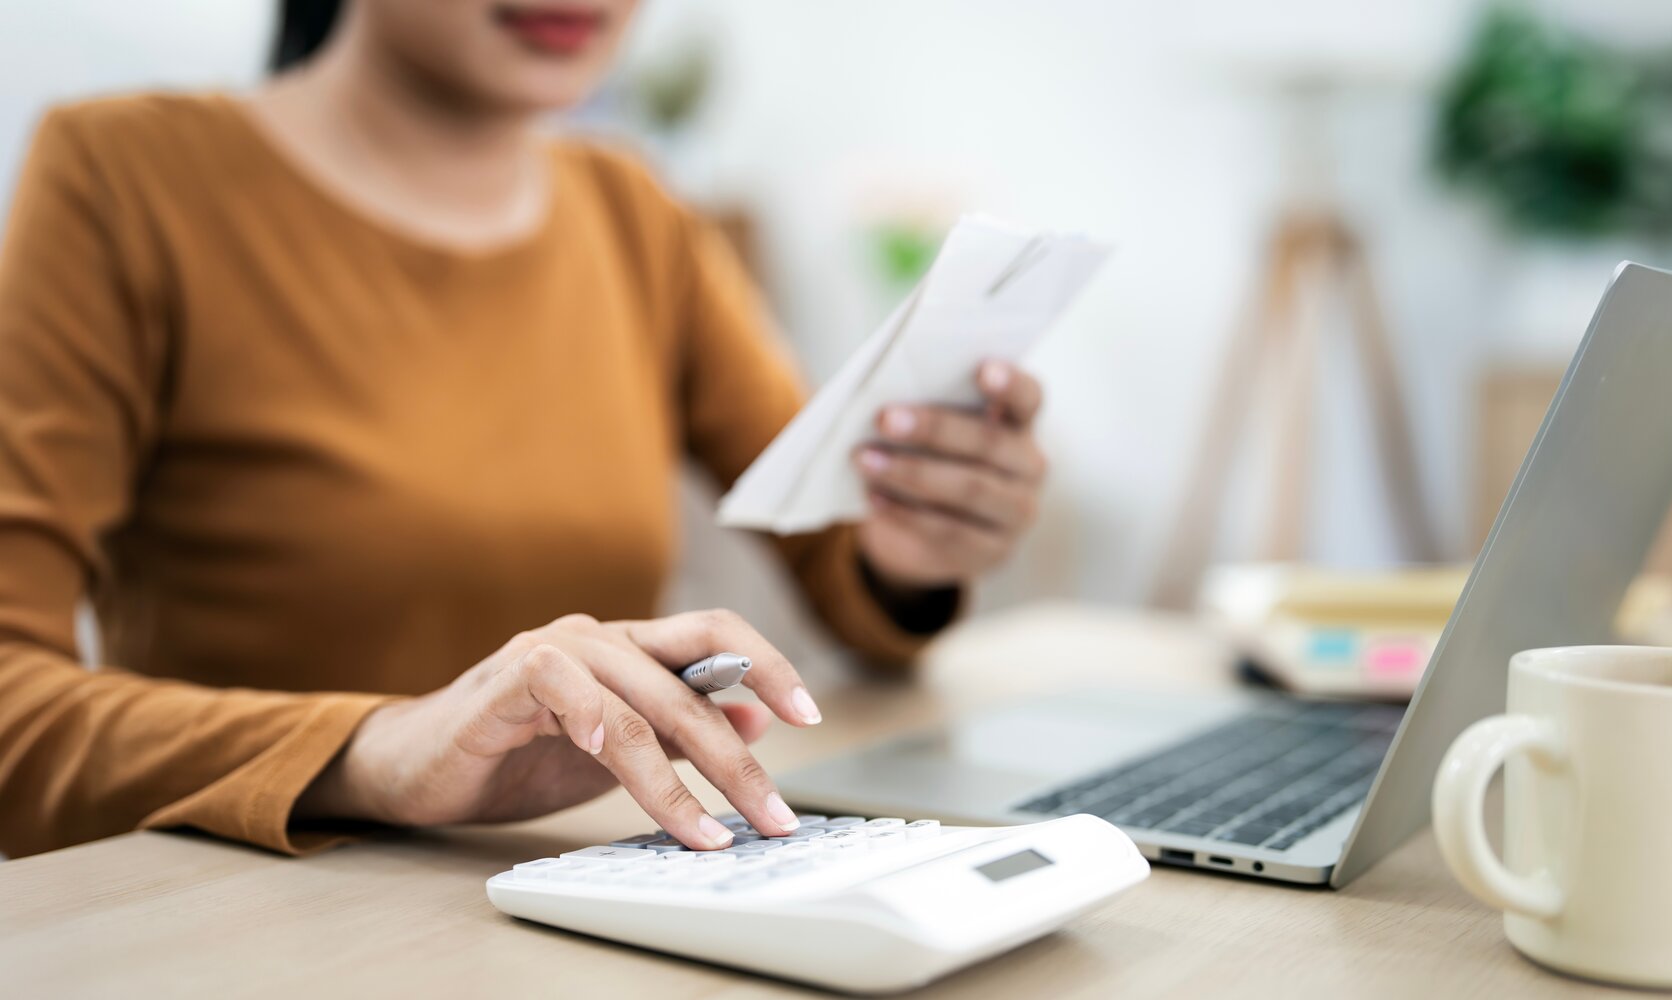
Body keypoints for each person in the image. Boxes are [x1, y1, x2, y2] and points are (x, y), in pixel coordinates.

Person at [0, 0, 1050, 859]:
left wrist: (910, 547)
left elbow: (843, 572)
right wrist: (376, 748)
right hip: (255, 929)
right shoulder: (121, 176)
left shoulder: (634, 212)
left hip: (604, 897)